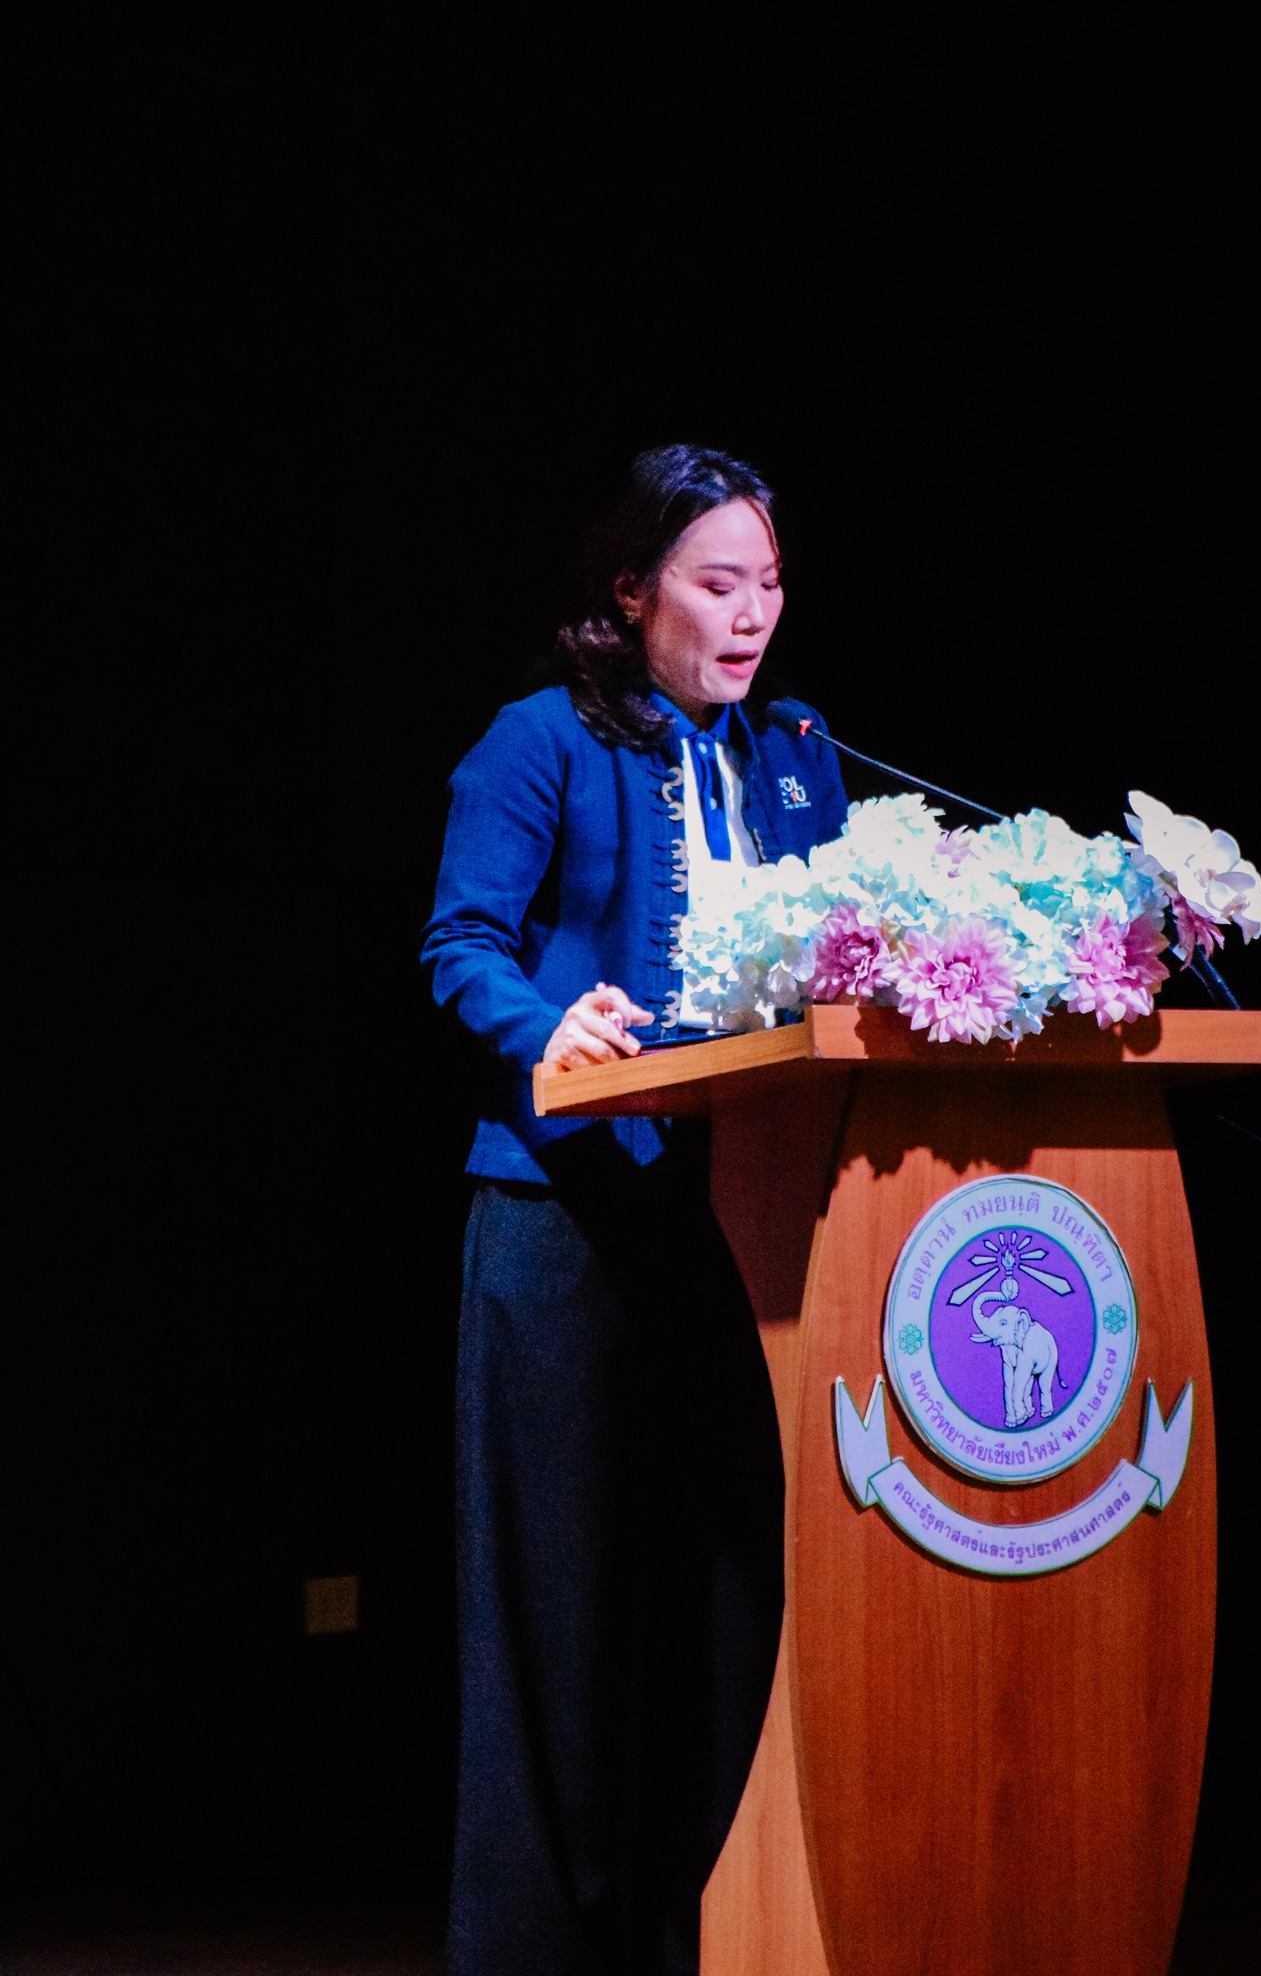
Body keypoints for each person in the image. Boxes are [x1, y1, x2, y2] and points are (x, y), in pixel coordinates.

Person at [422, 443, 848, 1975]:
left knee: (723, 1597)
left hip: (748, 1226)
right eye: (717, 583)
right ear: (628, 592)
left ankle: (713, 1930)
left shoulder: (794, 755)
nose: (751, 616)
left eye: (769, 585)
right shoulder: (540, 738)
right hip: (565, 1221)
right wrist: (548, 1025)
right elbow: (460, 944)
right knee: (559, 1614)